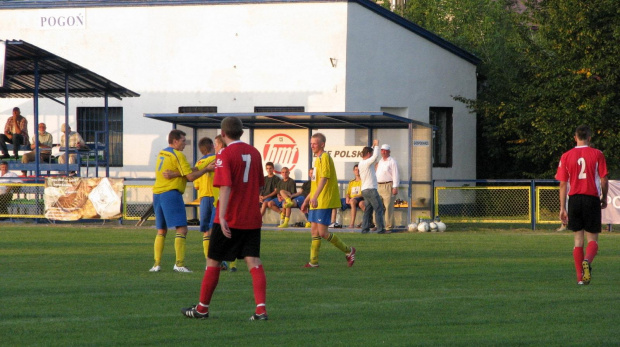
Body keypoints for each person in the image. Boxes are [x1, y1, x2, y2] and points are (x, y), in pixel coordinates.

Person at [182, 116, 268, 321]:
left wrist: (221, 215)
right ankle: (261, 310)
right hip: (251, 217)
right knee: (254, 261)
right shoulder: (255, 153)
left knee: (213, 261)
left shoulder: (224, 154)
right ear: (242, 132)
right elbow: (260, 185)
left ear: (222, 134)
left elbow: (226, 186)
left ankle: (202, 309)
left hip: (229, 217)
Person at [150, 129, 213, 273]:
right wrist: (206, 170)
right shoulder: (178, 155)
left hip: (157, 193)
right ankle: (179, 264)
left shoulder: (162, 153)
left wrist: (176, 173)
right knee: (182, 229)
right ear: (175, 141)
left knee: (161, 230)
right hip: (171, 193)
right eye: (183, 141)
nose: (185, 144)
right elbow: (190, 177)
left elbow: (185, 171)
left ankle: (156, 264)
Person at [555, 125, 608, 285]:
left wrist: (562, 207)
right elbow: (604, 179)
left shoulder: (566, 156)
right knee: (593, 240)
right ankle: (587, 260)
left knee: (578, 240)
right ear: (590, 138)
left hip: (575, 199)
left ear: (575, 137)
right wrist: (604, 197)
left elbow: (563, 184)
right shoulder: (597, 154)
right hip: (591, 199)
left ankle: (580, 278)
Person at [300, 133, 356, 268]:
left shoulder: (325, 157)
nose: (312, 145)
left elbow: (324, 179)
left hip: (323, 200)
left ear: (322, 144)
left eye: (314, 143)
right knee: (314, 231)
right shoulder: (317, 159)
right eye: (311, 143)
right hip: (316, 200)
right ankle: (313, 262)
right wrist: (307, 200)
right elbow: (315, 183)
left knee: (323, 233)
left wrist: (314, 197)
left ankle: (349, 251)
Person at [195, 135, 237, 272]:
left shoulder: (199, 163)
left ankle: (210, 262)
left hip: (204, 198)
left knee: (207, 231)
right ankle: (227, 263)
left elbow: (195, 185)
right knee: (221, 229)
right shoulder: (219, 159)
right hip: (218, 197)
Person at [359, 140, 386, 234]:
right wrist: (377, 145)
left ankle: (365, 229)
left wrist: (373, 146)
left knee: (368, 211)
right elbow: (374, 157)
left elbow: (370, 153)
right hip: (371, 189)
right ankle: (381, 229)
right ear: (369, 154)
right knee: (379, 208)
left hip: (365, 190)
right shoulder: (366, 163)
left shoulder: (361, 163)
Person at [376, 143, 400, 231]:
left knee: (388, 206)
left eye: (385, 150)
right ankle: (377, 225)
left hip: (388, 185)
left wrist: (395, 187)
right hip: (379, 185)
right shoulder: (380, 161)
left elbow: (395, 174)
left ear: (389, 151)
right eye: (382, 150)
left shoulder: (392, 161)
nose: (383, 152)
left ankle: (388, 226)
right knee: (377, 206)